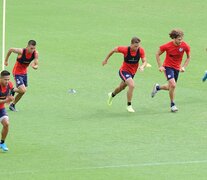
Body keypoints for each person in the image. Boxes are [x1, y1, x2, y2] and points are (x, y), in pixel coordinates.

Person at [102, 37, 147, 112]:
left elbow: (145, 61)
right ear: (131, 44)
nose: (137, 48)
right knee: (132, 85)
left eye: (138, 46)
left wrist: (142, 66)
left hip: (132, 73)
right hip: (124, 71)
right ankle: (129, 105)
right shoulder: (125, 49)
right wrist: (106, 60)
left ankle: (112, 95)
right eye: (135, 46)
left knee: (121, 88)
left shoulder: (140, 50)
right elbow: (113, 50)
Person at [151, 29, 191, 112]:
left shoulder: (185, 46)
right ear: (174, 38)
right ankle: (172, 105)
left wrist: (183, 67)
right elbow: (157, 54)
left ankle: (157, 87)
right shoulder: (167, 46)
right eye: (179, 39)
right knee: (173, 85)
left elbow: (188, 57)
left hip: (177, 68)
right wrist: (160, 66)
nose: (181, 41)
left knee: (170, 87)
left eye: (181, 39)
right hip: (168, 67)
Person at [4, 40, 39, 112]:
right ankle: (11, 91)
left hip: (24, 73)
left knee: (22, 92)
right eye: (31, 48)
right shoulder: (21, 51)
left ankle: (12, 104)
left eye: (34, 48)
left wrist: (35, 66)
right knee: (23, 90)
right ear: (27, 46)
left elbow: (36, 64)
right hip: (17, 72)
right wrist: (6, 60)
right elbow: (10, 49)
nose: (33, 50)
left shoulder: (35, 53)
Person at [0, 70, 18, 151]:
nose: (7, 81)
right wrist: (6, 101)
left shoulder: (9, 84)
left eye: (8, 79)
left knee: (6, 124)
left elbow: (12, 90)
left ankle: (2, 142)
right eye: (5, 79)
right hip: (2, 104)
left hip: (1, 108)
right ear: (0, 79)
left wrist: (11, 96)